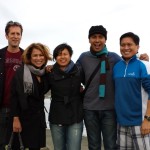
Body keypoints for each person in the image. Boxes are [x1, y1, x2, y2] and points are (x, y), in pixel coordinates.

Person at [76, 25, 149, 150]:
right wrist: (52, 67)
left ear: (105, 39)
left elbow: (130, 62)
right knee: (93, 145)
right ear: (89, 39)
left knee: (111, 145)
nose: (97, 40)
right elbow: (74, 75)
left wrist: (143, 58)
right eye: (94, 37)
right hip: (90, 109)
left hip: (110, 109)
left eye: (100, 37)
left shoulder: (115, 58)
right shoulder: (83, 58)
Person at [6, 43, 52, 150]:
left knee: (35, 147)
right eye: (35, 55)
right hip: (23, 118)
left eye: (41, 55)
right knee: (18, 146)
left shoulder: (45, 73)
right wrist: (15, 118)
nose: (38, 58)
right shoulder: (20, 72)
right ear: (29, 57)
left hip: (38, 119)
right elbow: (14, 97)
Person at [113, 32, 150, 150]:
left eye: (130, 44)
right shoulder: (117, 66)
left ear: (137, 47)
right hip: (121, 123)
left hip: (140, 123)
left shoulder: (144, 65)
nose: (126, 48)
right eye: (122, 45)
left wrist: (148, 120)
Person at [45, 43, 84, 150]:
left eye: (65, 54)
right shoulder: (50, 72)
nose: (62, 57)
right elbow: (41, 90)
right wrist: (43, 70)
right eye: (59, 54)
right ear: (55, 57)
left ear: (70, 55)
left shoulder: (79, 70)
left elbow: (90, 85)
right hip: (57, 115)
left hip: (75, 114)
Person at [0, 20, 23, 150]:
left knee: (16, 145)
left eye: (18, 34)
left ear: (21, 36)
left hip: (19, 110)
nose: (15, 36)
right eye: (12, 33)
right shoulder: (0, 55)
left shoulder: (26, 56)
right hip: (1, 108)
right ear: (6, 36)